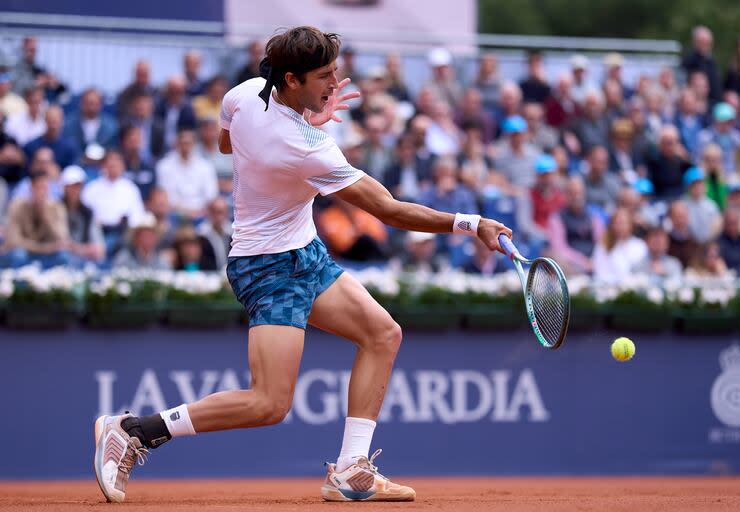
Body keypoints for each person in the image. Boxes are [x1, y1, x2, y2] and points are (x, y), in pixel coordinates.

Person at [93, 26, 512, 504]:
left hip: (304, 252)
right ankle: (133, 431)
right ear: (291, 79)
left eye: (335, 71)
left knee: (383, 333)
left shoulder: (245, 92)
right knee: (268, 403)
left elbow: (227, 145)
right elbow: (390, 210)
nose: (335, 83)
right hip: (267, 268)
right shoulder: (306, 147)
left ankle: (352, 469)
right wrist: (470, 222)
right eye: (324, 76)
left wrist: (308, 122)